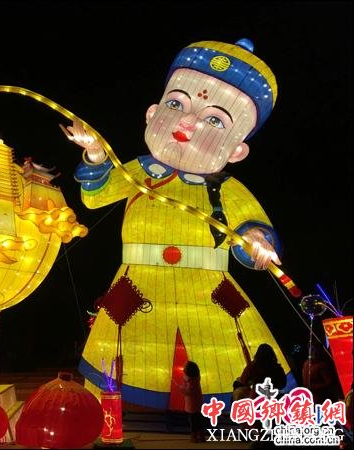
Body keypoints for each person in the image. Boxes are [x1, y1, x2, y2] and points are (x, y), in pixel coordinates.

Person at [64, 38, 295, 409]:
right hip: (138, 281)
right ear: (152, 113)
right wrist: (94, 153)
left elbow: (253, 233)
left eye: (215, 120)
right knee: (117, 353)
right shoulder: (140, 171)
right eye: (176, 104)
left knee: (224, 354)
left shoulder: (226, 188)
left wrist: (256, 240)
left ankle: (235, 409)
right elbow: (95, 197)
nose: (188, 121)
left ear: (237, 150)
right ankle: (102, 413)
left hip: (206, 288)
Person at [175, 361, 204, 443]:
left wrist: (180, 388)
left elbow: (188, 391)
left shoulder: (190, 381)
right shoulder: (196, 379)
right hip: (198, 402)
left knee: (192, 420)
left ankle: (194, 436)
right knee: (199, 419)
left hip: (191, 404)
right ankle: (201, 435)